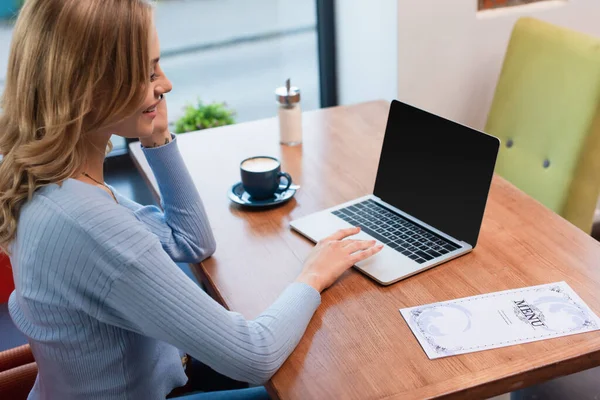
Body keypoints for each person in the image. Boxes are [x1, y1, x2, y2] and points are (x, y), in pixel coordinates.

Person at [0, 1, 383, 399]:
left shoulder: (50, 180)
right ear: (90, 87)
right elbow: (254, 356)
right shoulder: (88, 223)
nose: (164, 84)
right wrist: (313, 275)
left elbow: (191, 241)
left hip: (151, 376)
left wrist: (157, 138)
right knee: (335, 381)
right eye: (148, 73)